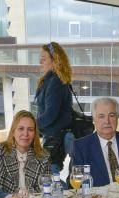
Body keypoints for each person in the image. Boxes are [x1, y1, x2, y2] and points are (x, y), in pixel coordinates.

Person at [71, 97, 119, 187]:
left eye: (111, 115)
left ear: (117, 118)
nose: (107, 121)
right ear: (94, 119)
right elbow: (74, 182)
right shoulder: (80, 146)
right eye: (101, 116)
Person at [0, 111, 50, 194]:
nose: (25, 134)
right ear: (13, 132)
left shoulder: (43, 156)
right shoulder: (0, 152)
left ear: (35, 133)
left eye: (30, 129)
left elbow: (47, 188)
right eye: (21, 128)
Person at [34, 42, 73, 171]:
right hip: (55, 136)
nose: (41, 61)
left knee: (50, 177)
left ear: (55, 60)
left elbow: (50, 114)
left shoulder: (55, 82)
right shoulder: (53, 80)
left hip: (55, 138)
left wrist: (31, 125)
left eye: (44, 58)